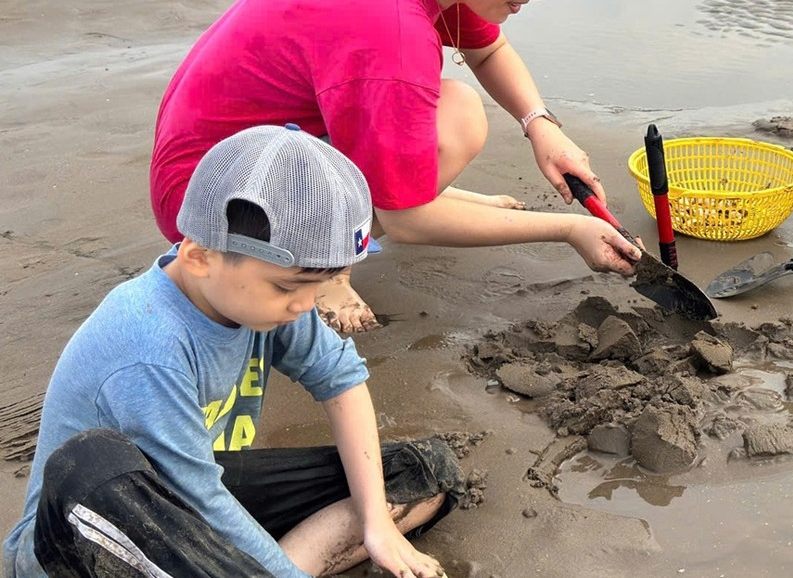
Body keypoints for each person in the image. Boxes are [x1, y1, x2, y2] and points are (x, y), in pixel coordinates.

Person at [150, 0, 641, 334]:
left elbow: (488, 51)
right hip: (216, 204)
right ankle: (322, 268)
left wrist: (541, 127)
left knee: (456, 110)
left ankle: (381, 206)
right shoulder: (391, 32)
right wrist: (571, 228)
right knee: (458, 120)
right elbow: (408, 220)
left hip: (250, 150)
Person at [6, 127, 465, 577]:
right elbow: (199, 498)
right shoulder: (148, 346)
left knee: (420, 471)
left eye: (320, 284)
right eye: (289, 286)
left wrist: (377, 526)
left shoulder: (267, 303)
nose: (306, 305)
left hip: (193, 494)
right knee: (94, 461)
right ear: (199, 256)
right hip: (87, 544)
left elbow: (341, 381)